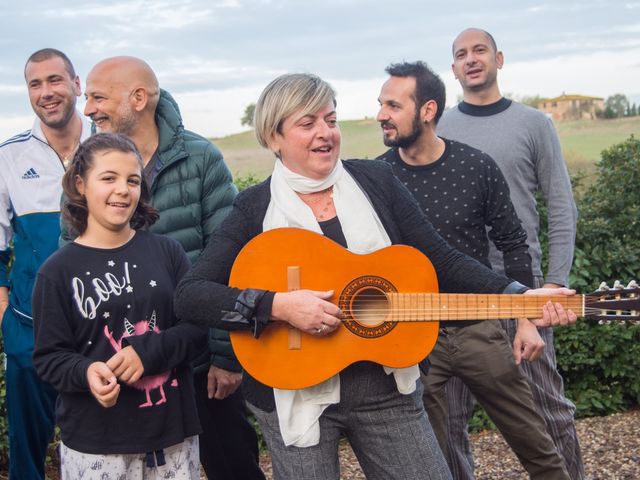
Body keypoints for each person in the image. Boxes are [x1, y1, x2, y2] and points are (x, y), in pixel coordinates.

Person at [173, 72, 578, 480]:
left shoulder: (377, 182)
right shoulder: (253, 208)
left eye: (331, 120)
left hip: (386, 386)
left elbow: (441, 260)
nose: (325, 133)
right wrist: (278, 306)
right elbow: (191, 295)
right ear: (274, 136)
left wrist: (520, 294)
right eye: (307, 123)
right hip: (292, 391)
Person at [376, 61, 569, 479]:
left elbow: (513, 243)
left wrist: (525, 319)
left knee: (537, 445)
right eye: (381, 104)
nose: (381, 115)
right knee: (436, 459)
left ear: (427, 110)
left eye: (393, 105)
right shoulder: (376, 177)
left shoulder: (475, 166)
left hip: (480, 329)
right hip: (412, 340)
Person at [81, 56, 265, 479]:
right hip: (121, 364)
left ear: (139, 99)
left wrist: (226, 355)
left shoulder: (201, 158)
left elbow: (233, 263)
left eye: (97, 96)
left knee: (232, 465)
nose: (87, 108)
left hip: (199, 362)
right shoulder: (86, 165)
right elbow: (73, 263)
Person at [437, 28, 583, 479]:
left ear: (499, 58)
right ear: (454, 69)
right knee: (446, 422)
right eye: (461, 54)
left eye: (479, 50)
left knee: (547, 413)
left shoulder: (534, 124)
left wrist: (553, 284)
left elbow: (561, 206)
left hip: (521, 292)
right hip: (454, 299)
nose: (470, 59)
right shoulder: (437, 126)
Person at [33, 133, 205, 478]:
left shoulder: (167, 253)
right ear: (80, 184)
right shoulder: (56, 271)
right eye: (108, 178)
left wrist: (147, 352)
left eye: (132, 180)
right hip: (96, 441)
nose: (123, 190)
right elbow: (49, 358)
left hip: (171, 434)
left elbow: (198, 329)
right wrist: (85, 372)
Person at [0, 48, 91, 479]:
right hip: (28, 324)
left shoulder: (110, 145)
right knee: (28, 449)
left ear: (77, 85)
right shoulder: (8, 156)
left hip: (99, 325)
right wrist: (4, 315)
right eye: (35, 84)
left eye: (55, 80)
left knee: (103, 439)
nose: (46, 92)